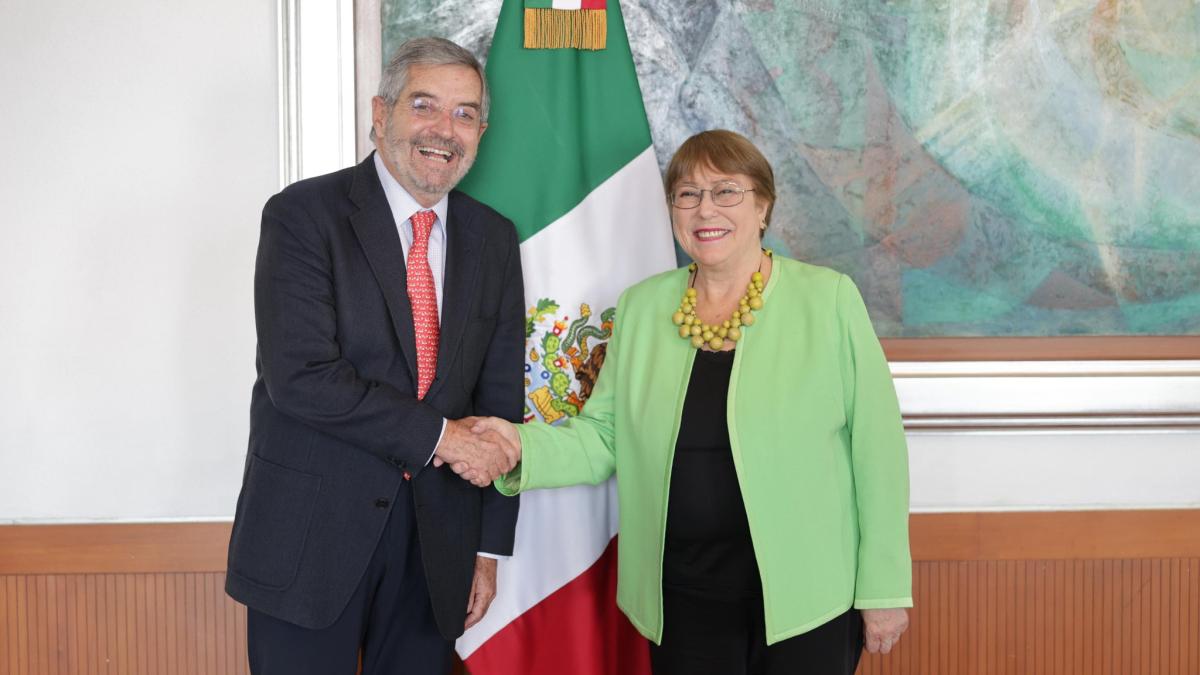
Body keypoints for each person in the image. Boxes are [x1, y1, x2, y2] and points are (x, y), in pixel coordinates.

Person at [468, 130, 912, 674]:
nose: (706, 209)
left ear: (763, 206)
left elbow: (878, 452)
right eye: (687, 194)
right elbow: (604, 436)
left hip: (808, 596)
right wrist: (518, 446)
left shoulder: (828, 298)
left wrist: (884, 588)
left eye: (727, 191)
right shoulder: (642, 308)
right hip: (682, 597)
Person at [225, 37, 524, 675]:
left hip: (438, 546)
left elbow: (500, 400)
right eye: (425, 105)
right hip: (309, 540)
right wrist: (444, 438)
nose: (446, 130)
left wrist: (488, 548)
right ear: (380, 112)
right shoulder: (304, 215)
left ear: (481, 131)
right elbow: (302, 378)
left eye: (466, 113)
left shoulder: (493, 238)